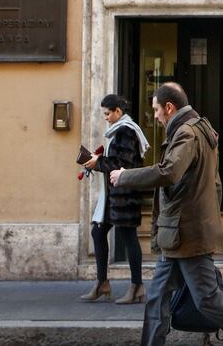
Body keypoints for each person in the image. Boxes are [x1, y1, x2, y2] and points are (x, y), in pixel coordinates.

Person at [109, 83, 223, 346]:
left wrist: (125, 175)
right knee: (156, 299)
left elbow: (168, 172)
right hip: (179, 233)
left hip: (188, 235)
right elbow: (216, 184)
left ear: (169, 107)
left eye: (156, 110)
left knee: (209, 302)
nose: (155, 116)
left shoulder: (186, 133)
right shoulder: (199, 129)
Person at [80, 94, 150, 304]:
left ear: (118, 112)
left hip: (125, 195)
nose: (106, 118)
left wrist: (97, 162)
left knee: (128, 237)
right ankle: (102, 283)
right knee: (98, 231)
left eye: (108, 113)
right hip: (115, 196)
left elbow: (124, 163)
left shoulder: (126, 131)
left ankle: (137, 286)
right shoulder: (118, 131)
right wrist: (98, 160)